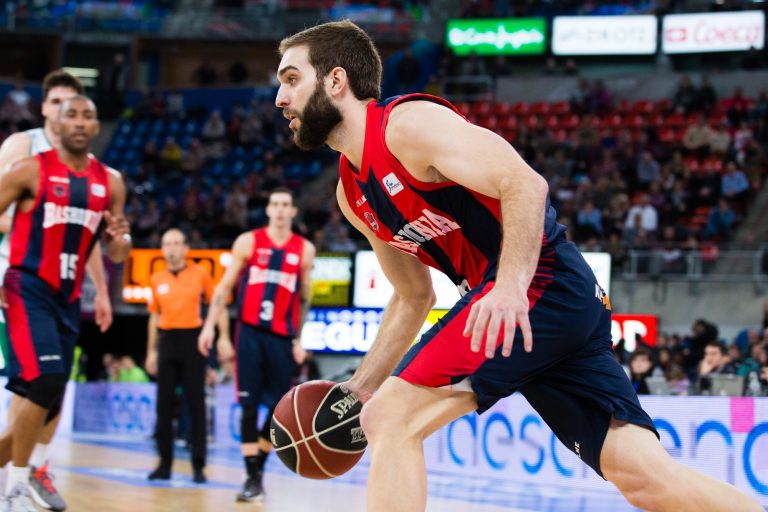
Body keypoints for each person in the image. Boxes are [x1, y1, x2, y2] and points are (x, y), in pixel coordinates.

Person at [274, 20, 764, 512]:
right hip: (541, 306)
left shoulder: (405, 125)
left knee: (391, 418)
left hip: (536, 284)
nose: (280, 97)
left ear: (336, 81)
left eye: (291, 78)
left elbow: (524, 184)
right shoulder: (350, 192)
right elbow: (411, 296)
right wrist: (360, 386)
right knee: (643, 476)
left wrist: (510, 287)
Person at [0, 95, 131, 510]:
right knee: (47, 379)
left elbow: (117, 253)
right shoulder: (28, 171)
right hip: (27, 286)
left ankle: (19, 476)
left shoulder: (110, 182)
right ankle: (18, 485)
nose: (78, 121)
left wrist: (120, 241)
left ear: (96, 126)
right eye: (69, 114)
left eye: (87, 115)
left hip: (68, 297)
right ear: (54, 124)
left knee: (48, 394)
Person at [199, 187, 315, 502]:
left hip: (281, 338)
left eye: (285, 205)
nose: (279, 210)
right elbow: (223, 289)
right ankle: (252, 477)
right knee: (248, 407)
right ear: (267, 210)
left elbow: (304, 298)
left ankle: (257, 470)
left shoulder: (304, 250)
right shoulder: (248, 241)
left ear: (293, 212)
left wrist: (297, 339)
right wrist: (212, 329)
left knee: (278, 411)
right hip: (249, 333)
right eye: (274, 204)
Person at [145, 228, 232, 483]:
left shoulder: (200, 274)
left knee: (195, 405)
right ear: (162, 249)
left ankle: (198, 465)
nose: (171, 248)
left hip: (193, 340)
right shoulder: (156, 277)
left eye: (176, 243)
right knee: (163, 406)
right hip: (168, 341)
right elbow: (153, 317)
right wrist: (151, 351)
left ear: (185, 248)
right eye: (167, 243)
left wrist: (223, 336)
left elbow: (219, 306)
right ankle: (164, 464)